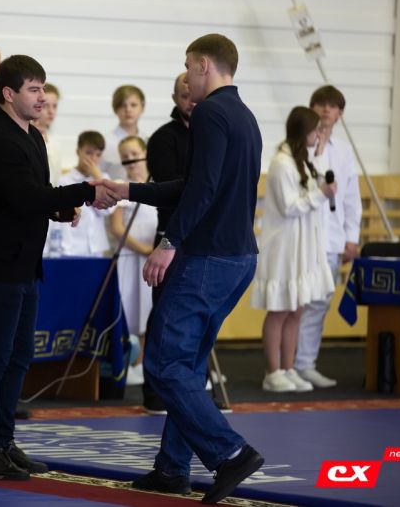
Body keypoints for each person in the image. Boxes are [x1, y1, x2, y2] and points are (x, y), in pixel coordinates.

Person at [93, 33, 265, 504]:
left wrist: (168, 243)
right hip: (238, 257)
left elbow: (202, 190)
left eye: (189, 67)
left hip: (207, 256)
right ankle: (172, 468)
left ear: (204, 64)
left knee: (165, 362)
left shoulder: (209, 112)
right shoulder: (245, 116)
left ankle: (230, 452)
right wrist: (128, 190)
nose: (187, 78)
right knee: (186, 365)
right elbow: (194, 185)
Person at [0, 54, 116, 481]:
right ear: (8, 94)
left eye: (44, 88)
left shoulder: (32, 135)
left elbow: (35, 194)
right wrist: (85, 191)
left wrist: (60, 208)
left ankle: (5, 440)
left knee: (19, 357)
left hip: (25, 264)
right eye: (33, 89)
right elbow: (24, 198)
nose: (42, 97)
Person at [251, 107, 337, 393]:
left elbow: (315, 185)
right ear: (303, 132)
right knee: (280, 309)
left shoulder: (303, 161)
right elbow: (290, 207)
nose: (319, 135)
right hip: (285, 247)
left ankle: (288, 368)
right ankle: (272, 372)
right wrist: (321, 194)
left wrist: (320, 159)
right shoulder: (281, 163)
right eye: (315, 130)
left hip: (302, 246)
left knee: (297, 308)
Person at [296, 85, 362, 389]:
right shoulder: (299, 145)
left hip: (332, 238)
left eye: (332, 106)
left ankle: (306, 364)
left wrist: (352, 237)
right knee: (298, 301)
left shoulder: (345, 151)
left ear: (340, 114)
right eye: (321, 104)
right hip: (302, 237)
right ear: (311, 108)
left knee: (321, 302)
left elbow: (351, 198)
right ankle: (286, 365)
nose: (326, 110)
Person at [141, 72, 195, 412]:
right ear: (175, 98)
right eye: (184, 95)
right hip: (171, 235)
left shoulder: (211, 132)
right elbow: (169, 188)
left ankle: (193, 387)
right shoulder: (164, 137)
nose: (190, 100)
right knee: (164, 314)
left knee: (194, 317)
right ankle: (154, 389)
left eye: (194, 94)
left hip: (202, 238)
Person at [109, 136, 157, 386]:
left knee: (149, 310)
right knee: (128, 310)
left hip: (153, 259)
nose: (131, 161)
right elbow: (117, 228)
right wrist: (144, 249)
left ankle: (142, 363)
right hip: (130, 258)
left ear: (145, 153)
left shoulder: (158, 185)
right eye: (125, 157)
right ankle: (126, 362)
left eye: (135, 154)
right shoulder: (121, 186)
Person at [55, 130, 111, 257]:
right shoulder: (64, 181)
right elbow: (62, 216)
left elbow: (108, 210)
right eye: (88, 153)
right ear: (77, 151)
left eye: (98, 155)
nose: (93, 159)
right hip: (72, 247)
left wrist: (98, 178)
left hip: (97, 247)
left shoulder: (104, 178)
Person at [103, 84, 146, 179]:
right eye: (123, 105)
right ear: (115, 109)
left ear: (142, 108)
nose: (128, 110)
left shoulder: (147, 141)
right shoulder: (105, 142)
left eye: (133, 105)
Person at [31, 82, 64, 182]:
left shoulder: (55, 142)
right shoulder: (26, 137)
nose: (51, 111)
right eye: (45, 106)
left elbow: (56, 179)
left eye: (54, 106)